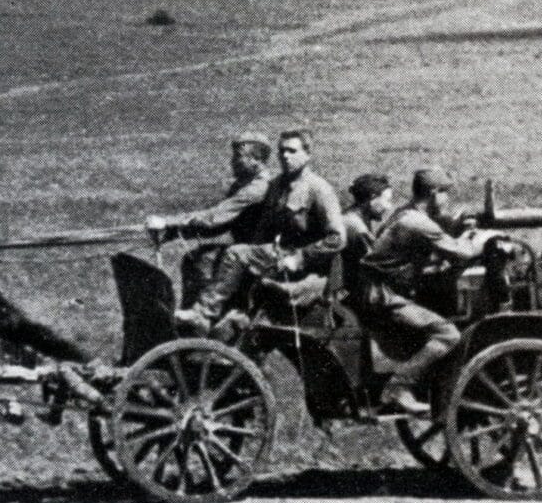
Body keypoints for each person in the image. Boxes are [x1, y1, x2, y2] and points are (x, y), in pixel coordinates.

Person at [173, 129, 346, 334]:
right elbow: (264, 229)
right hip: (277, 254)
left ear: (307, 155)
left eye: (292, 151)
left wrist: (300, 258)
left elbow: (337, 238)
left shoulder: (319, 189)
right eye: (282, 151)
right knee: (230, 257)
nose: (285, 156)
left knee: (235, 254)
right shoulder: (276, 186)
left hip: (305, 266)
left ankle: (203, 313)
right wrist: (251, 256)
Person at [359, 169, 490, 415]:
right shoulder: (416, 222)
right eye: (445, 193)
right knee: (448, 335)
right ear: (433, 193)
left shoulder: (404, 213)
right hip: (384, 296)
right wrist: (481, 239)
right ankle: (398, 388)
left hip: (378, 290)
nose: (447, 200)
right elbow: (461, 252)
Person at [145, 131, 273, 307]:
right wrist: (174, 232)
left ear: (256, 159)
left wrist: (169, 222)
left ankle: (199, 317)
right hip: (242, 248)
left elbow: (215, 218)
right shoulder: (244, 184)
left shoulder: (257, 188)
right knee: (197, 258)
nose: (232, 162)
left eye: (238, 157)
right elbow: (220, 224)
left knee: (202, 262)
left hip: (252, 251)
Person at [340, 173, 395, 299]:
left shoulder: (351, 215)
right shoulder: (358, 228)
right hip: (351, 293)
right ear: (372, 198)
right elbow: (376, 266)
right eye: (387, 201)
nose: (389, 207)